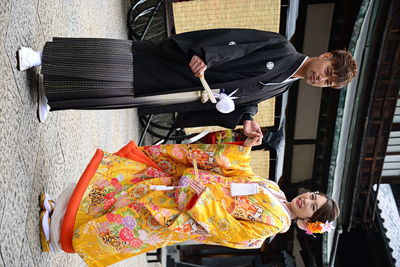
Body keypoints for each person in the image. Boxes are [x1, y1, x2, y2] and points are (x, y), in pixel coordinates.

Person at [17, 29, 357, 144]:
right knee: (115, 61)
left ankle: (56, 94)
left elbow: (245, 98)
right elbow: (239, 44)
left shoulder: (282, 87)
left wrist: (247, 118)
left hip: (189, 92)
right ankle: (42, 57)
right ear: (325, 55)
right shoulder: (282, 48)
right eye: (327, 70)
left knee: (118, 94)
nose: (320, 78)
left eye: (327, 82)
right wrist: (208, 56)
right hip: (188, 68)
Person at [39, 138, 339, 266]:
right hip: (183, 188)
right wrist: (245, 149)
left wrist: (201, 197)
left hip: (187, 212)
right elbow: (239, 175)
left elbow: (230, 231)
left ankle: (57, 237)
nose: (306, 200)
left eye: (312, 206)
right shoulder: (274, 190)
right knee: (122, 195)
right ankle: (63, 213)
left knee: (126, 219)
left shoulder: (275, 223)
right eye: (312, 196)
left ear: (307, 222)